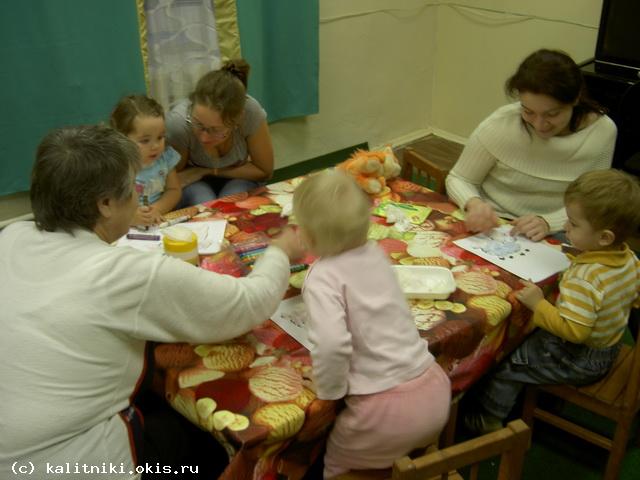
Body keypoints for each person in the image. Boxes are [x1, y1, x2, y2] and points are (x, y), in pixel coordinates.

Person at [0, 125, 302, 479]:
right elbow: (247, 304)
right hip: (65, 461)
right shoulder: (124, 274)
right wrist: (282, 249)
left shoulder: (12, 236)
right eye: (133, 187)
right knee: (208, 446)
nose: (138, 196)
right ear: (106, 204)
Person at [292, 170, 451, 479]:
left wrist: (329, 389)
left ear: (307, 237)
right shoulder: (376, 253)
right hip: (434, 389)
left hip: (384, 412)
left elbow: (332, 344)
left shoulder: (321, 277)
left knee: (335, 465)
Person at [464, 169, 640, 435]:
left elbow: (575, 331)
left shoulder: (587, 278)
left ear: (604, 238)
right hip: (610, 345)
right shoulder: (630, 259)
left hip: (579, 358)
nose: (565, 227)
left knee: (509, 360)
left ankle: (487, 418)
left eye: (574, 224)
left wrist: (539, 304)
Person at [446, 49, 617, 241]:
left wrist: (547, 222)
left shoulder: (601, 131)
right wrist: (474, 203)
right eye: (528, 112)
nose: (539, 125)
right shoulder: (501, 124)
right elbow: (459, 178)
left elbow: (593, 201)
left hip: (561, 228)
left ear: (576, 98)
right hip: (494, 223)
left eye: (552, 114)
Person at [166, 59, 274, 207]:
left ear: (238, 120)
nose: (204, 137)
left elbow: (264, 170)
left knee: (231, 201)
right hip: (195, 182)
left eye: (215, 130)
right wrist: (200, 174)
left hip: (238, 178)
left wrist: (208, 170)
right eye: (198, 124)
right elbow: (175, 179)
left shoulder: (251, 112)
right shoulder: (179, 123)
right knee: (204, 201)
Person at [110, 94, 182, 227]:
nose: (155, 146)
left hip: (159, 220)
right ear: (121, 139)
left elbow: (174, 190)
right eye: (145, 140)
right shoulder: (116, 165)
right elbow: (108, 205)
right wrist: (129, 217)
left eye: (160, 137)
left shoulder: (165, 157)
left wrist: (157, 208)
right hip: (126, 225)